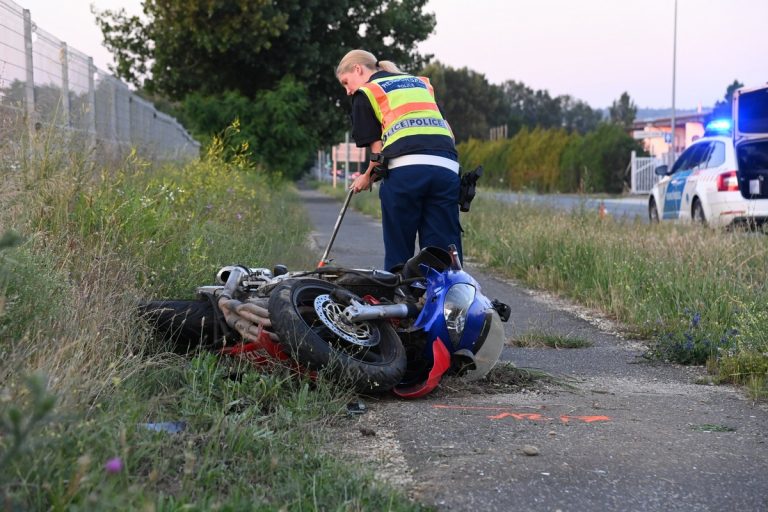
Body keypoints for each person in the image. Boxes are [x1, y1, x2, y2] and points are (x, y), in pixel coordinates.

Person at [335, 49, 463, 272]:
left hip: (405, 171)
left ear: (358, 69)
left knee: (399, 252)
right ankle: (451, 299)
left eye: (346, 82)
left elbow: (379, 153)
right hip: (447, 167)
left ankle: (402, 297)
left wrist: (366, 179)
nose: (347, 91)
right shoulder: (420, 84)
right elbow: (449, 132)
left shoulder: (367, 92)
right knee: (442, 251)